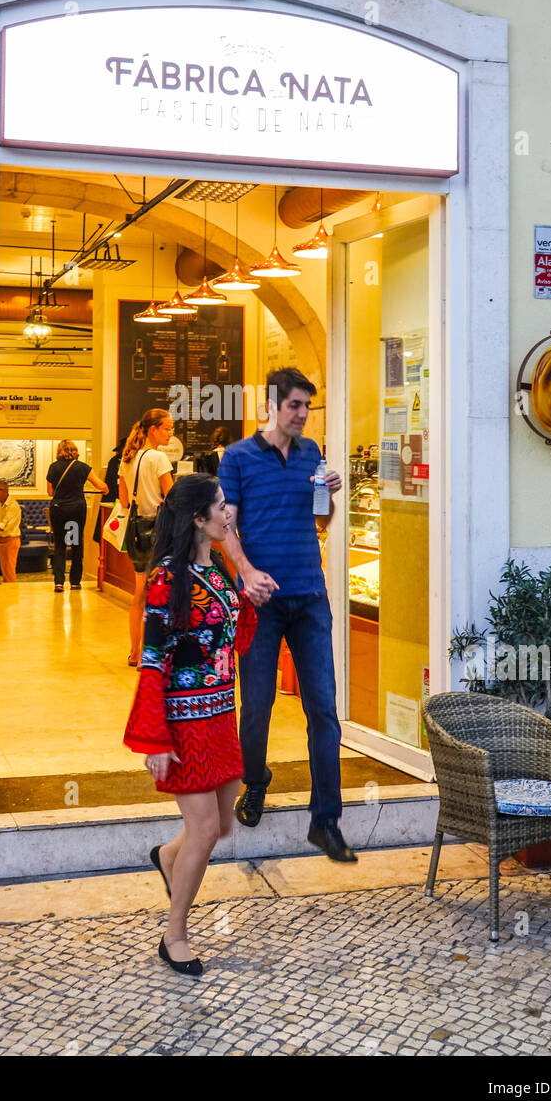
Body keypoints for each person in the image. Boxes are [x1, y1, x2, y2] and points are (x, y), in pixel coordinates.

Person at [217, 367, 356, 863]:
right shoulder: (236, 458)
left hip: (309, 597)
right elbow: (224, 528)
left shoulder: (312, 454)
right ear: (273, 406)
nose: (302, 415)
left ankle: (326, 822)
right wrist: (247, 572)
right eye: (295, 405)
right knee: (256, 707)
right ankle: (255, 782)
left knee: (323, 710)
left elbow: (321, 521)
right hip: (260, 603)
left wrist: (331, 496)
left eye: (307, 407)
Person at [123, 474, 256, 976]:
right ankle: (174, 935)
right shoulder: (165, 578)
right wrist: (154, 736)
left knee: (221, 826)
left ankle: (165, 857)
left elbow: (235, 641)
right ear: (198, 519)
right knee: (203, 831)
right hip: (183, 722)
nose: (230, 513)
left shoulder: (218, 568)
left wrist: (246, 590)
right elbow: (153, 659)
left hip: (222, 715)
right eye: (221, 508)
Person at [118, 409, 175, 665]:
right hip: (157, 531)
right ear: (153, 429)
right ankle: (151, 655)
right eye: (167, 428)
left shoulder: (127, 458)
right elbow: (172, 497)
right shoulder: (159, 459)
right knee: (157, 594)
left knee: (139, 593)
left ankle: (135, 652)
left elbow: (122, 500)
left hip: (135, 531)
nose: (171, 434)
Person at [46, 439, 107, 593]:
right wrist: (105, 489)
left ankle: (58, 582)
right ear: (75, 451)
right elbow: (101, 486)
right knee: (75, 544)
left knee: (59, 544)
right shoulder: (82, 467)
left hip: (58, 509)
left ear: (59, 452)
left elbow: (50, 492)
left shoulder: (53, 467)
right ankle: (74, 582)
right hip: (75, 510)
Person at [0, 479, 22, 583]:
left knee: (9, 571)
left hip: (10, 540)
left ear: (3, 491)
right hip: (0, 540)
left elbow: (2, 525)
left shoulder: (12, 505)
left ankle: (11, 594)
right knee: (3, 569)